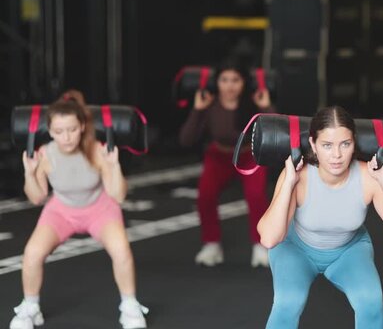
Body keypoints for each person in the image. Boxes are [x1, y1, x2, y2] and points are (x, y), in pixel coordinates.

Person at [257, 106, 383, 329]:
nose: (337, 155)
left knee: (370, 301)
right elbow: (269, 239)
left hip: (348, 250)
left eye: (345, 144)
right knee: (288, 302)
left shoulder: (368, 177)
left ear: (354, 143)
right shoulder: (298, 175)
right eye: (327, 145)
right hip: (296, 248)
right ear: (313, 144)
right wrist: (289, 183)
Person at [10, 90, 148, 329]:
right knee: (32, 253)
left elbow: (119, 195)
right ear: (49, 131)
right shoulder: (44, 154)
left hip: (99, 209)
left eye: (72, 129)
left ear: (83, 126)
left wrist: (113, 166)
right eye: (59, 131)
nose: (66, 137)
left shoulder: (97, 150)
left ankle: (129, 306)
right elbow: (37, 197)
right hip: (61, 211)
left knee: (121, 250)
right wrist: (29, 172)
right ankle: (30, 308)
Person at [179, 61, 273, 267]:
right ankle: (212, 245)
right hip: (219, 155)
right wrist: (197, 110)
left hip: (249, 155)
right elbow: (186, 140)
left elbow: (276, 134)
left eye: (235, 80)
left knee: (256, 196)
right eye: (225, 80)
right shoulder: (209, 105)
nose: (230, 86)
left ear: (243, 83)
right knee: (205, 195)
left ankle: (261, 246)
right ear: (217, 82)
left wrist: (265, 106)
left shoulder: (253, 103)